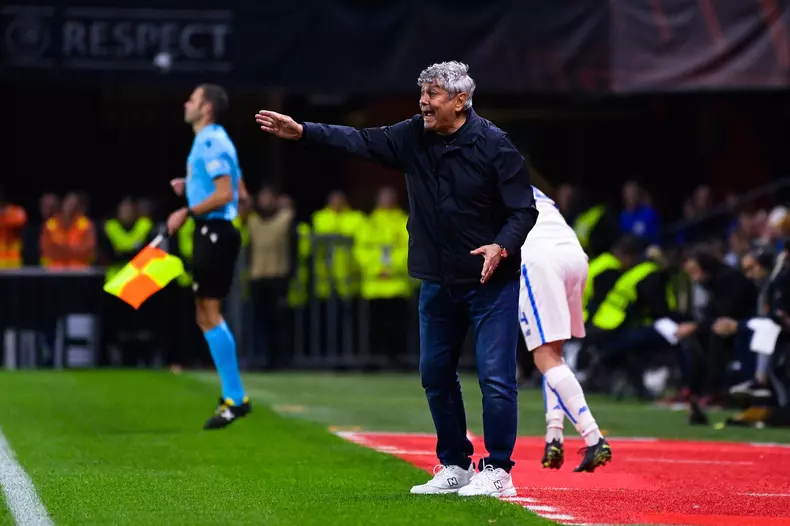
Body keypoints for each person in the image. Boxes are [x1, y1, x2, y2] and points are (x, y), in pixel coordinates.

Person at [255, 61, 537, 497]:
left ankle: (499, 470)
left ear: (461, 100)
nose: (423, 101)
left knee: (495, 379)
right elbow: (360, 140)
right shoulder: (412, 135)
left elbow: (524, 210)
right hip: (437, 280)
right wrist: (304, 131)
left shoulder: (496, 146)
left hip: (490, 282)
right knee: (434, 374)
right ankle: (456, 464)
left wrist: (500, 246)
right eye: (422, 92)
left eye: (433, 94)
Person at [167, 83, 251, 430]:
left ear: (206, 109)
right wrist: (190, 185)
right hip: (213, 231)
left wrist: (186, 210)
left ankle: (236, 398)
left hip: (214, 231)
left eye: (192, 99)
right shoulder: (213, 140)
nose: (186, 103)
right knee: (204, 314)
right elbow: (241, 194)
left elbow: (227, 194)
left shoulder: (211, 141)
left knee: (210, 313)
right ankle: (233, 395)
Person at [520, 185, 612, 472]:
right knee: (555, 355)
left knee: (545, 357)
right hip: (574, 257)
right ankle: (554, 436)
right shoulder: (526, 185)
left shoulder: (479, 183)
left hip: (540, 260)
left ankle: (594, 438)